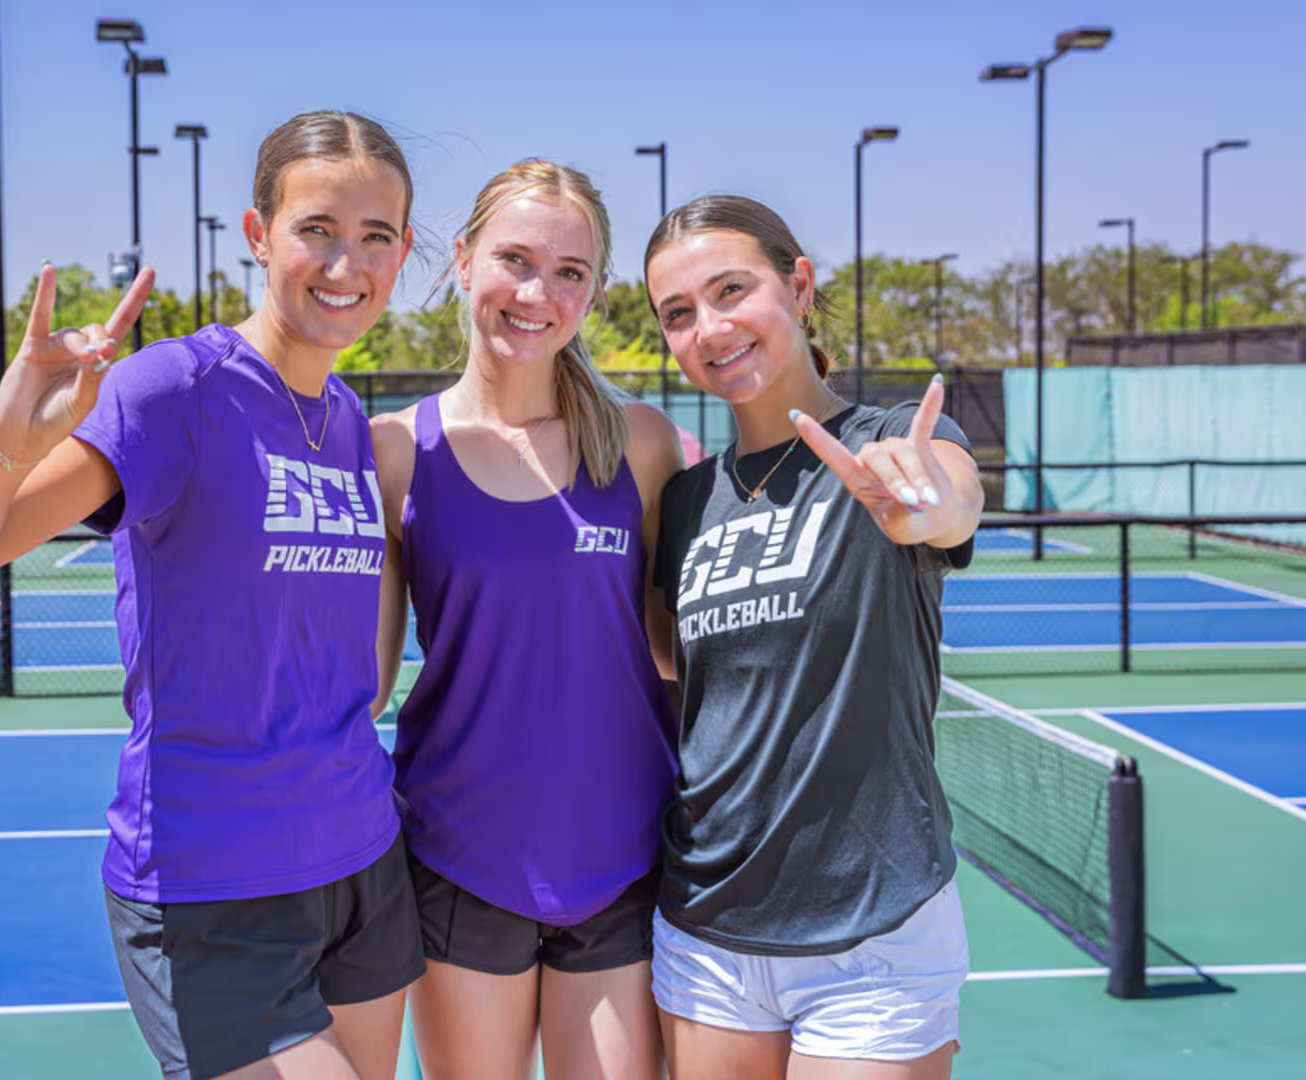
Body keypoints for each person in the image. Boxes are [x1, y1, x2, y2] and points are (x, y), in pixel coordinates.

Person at [0, 111, 424, 1080]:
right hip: (212, 881)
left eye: (376, 236)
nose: (345, 262)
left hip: (360, 858)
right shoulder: (171, 392)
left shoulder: (350, 421)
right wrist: (13, 431)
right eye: (316, 228)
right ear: (259, 233)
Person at [640, 195, 985, 1080]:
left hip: (874, 929)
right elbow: (675, 666)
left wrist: (924, 505)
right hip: (708, 928)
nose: (709, 327)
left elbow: (946, 504)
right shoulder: (685, 501)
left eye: (731, 290)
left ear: (799, 286)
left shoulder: (893, 446)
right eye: (678, 313)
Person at [369, 159, 682, 1080]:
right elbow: (364, 683)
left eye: (570, 271)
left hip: (623, 860)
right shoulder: (392, 451)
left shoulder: (645, 445)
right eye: (515, 259)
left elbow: (680, 651)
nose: (538, 292)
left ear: (595, 290)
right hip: (458, 860)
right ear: (463, 261)